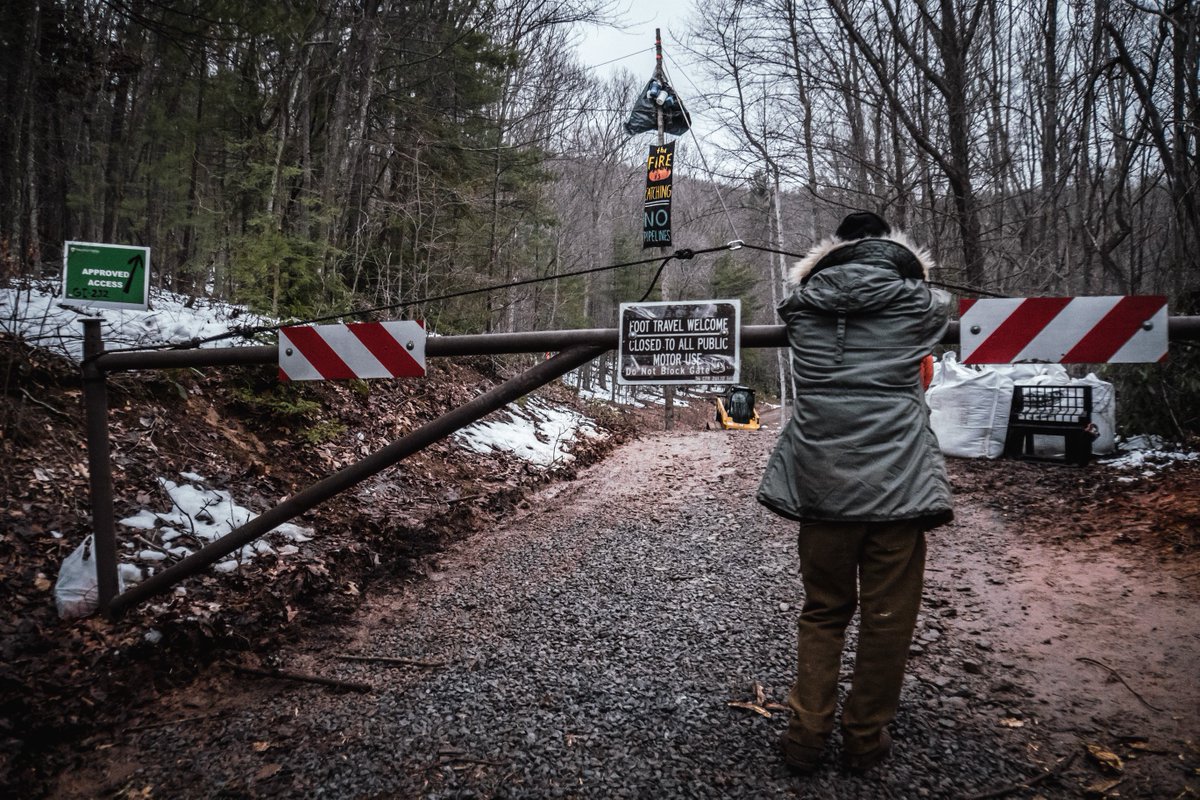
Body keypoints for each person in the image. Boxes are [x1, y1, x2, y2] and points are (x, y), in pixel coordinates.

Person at [757, 211, 954, 775]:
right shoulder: (917, 304)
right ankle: (866, 738)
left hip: (823, 484)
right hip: (899, 487)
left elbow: (798, 299)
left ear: (829, 252)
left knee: (823, 610)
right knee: (888, 615)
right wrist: (906, 268)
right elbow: (936, 305)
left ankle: (805, 736)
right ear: (890, 247)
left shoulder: (800, 308)